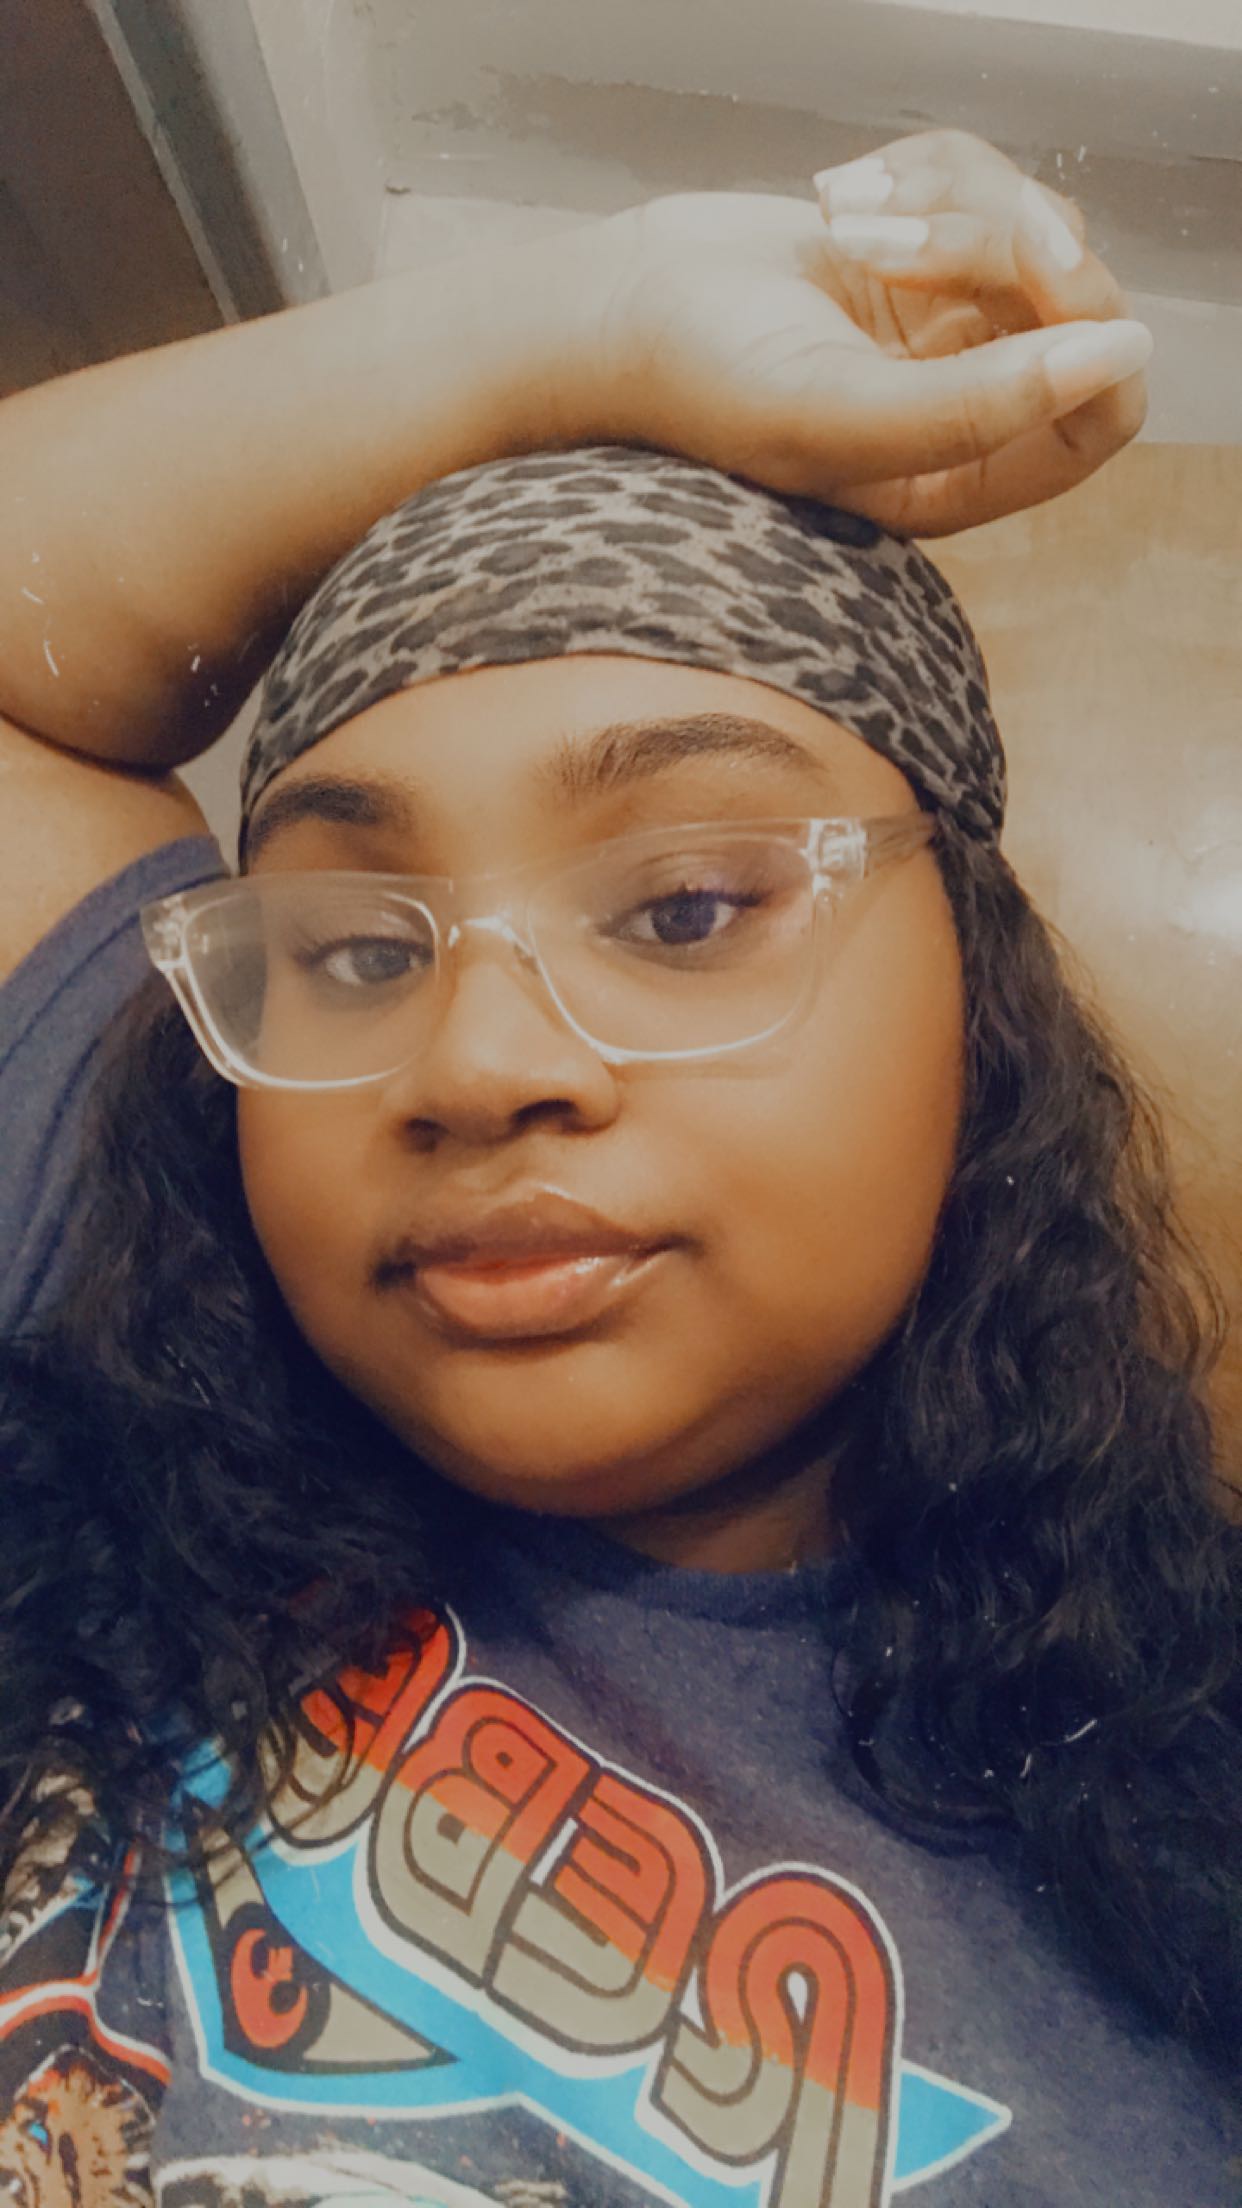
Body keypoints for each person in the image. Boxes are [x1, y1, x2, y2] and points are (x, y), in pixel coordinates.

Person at [0, 130, 1236, 2208]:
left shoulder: (1188, 1886)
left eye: (679, 912)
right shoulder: (102, 1267)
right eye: (357, 951)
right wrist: (595, 321)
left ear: (978, 1001)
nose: (478, 1065)